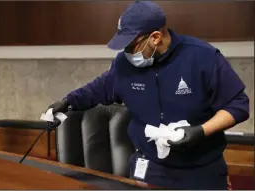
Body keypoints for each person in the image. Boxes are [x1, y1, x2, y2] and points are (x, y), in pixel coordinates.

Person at [47, 1, 249, 189]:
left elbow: (238, 105)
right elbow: (99, 88)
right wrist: (67, 102)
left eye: (131, 46)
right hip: (151, 168)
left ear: (155, 38)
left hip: (201, 171)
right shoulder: (124, 64)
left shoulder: (203, 57)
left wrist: (201, 131)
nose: (127, 53)